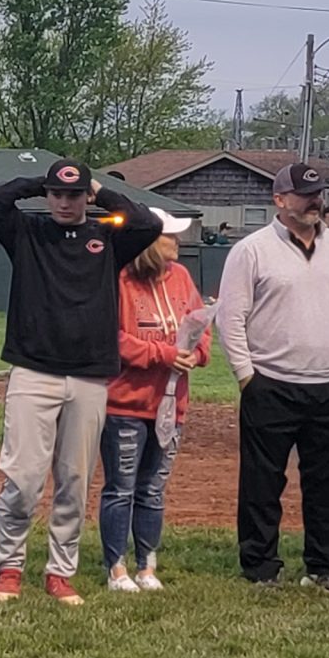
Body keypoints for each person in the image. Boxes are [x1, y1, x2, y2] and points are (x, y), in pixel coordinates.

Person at [0, 158, 163, 605]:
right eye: (57, 194)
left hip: (88, 374)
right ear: (47, 195)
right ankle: (10, 566)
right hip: (33, 369)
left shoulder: (106, 236)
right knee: (22, 479)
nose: (64, 201)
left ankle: (60, 571)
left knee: (74, 480)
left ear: (85, 197)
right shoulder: (27, 233)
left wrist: (100, 191)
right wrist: (37, 183)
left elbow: (148, 223)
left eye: (73, 194)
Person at [218, 162, 329, 594]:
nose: (314, 202)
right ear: (279, 200)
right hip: (271, 383)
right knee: (262, 484)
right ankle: (261, 566)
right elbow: (231, 318)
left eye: (318, 194)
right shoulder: (252, 250)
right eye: (304, 195)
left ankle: (324, 566)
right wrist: (247, 376)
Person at [101, 213, 208, 594]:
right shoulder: (119, 279)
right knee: (121, 487)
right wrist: (162, 354)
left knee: (152, 489)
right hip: (125, 404)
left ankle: (146, 565)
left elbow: (199, 324)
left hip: (170, 403)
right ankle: (116, 567)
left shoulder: (179, 276)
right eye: (169, 236)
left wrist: (197, 354)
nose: (177, 242)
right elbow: (111, 337)